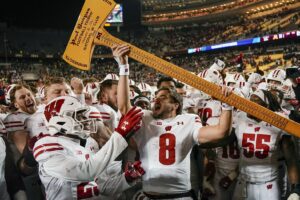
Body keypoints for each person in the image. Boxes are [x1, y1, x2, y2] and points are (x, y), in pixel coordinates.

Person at [113, 44, 233, 199]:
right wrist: (123, 66)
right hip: (149, 194)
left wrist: (227, 104)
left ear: (175, 105)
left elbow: (221, 132)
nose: (156, 99)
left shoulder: (188, 120)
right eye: (156, 97)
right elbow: (123, 106)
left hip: (179, 195)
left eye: (163, 97)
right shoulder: (146, 117)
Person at [35, 96, 144, 200]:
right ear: (60, 120)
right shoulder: (47, 144)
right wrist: (120, 133)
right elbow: (86, 172)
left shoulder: (89, 142)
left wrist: (126, 178)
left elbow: (101, 186)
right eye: (79, 116)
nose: (85, 120)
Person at [232, 89, 300, 200]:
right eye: (250, 99)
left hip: (268, 185)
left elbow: (291, 158)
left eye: (256, 100)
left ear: (266, 106)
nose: (250, 103)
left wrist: (295, 188)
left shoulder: (279, 121)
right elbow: (224, 140)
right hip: (243, 182)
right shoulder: (240, 117)